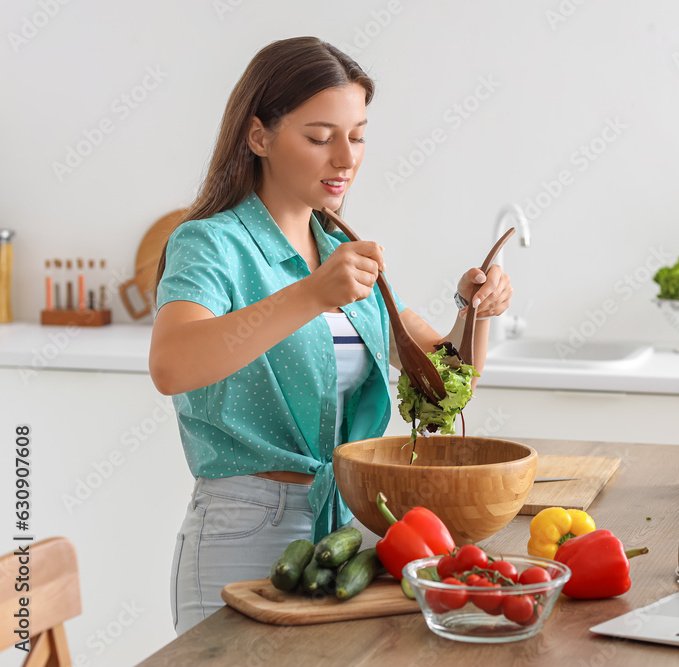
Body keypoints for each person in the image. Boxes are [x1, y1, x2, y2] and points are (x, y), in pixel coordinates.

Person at [149, 36, 512, 635]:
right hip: (242, 530)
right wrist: (311, 294)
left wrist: (476, 313)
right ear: (259, 136)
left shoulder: (339, 249)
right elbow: (172, 364)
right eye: (320, 138)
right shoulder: (210, 244)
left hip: (345, 531)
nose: (345, 158)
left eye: (359, 135)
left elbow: (446, 379)